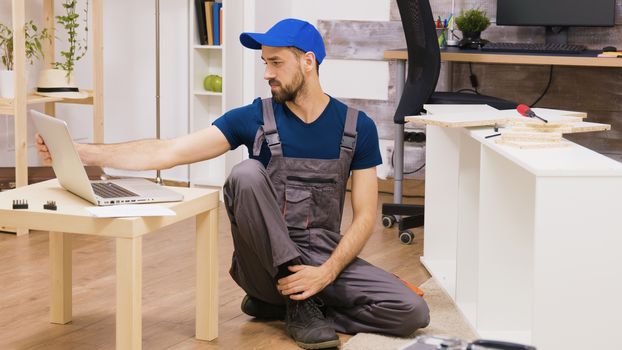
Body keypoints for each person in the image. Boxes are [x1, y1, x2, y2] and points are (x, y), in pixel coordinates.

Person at [36, 18, 430, 349]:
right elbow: (169, 151)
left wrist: (325, 274)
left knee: (412, 312)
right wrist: (82, 152)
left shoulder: (355, 127)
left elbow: (364, 216)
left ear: (308, 62)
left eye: (276, 62)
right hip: (262, 263)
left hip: (324, 256)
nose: (267, 73)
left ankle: (294, 302)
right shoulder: (252, 117)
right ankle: (291, 298)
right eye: (264, 62)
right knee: (245, 173)